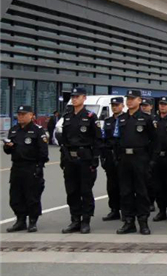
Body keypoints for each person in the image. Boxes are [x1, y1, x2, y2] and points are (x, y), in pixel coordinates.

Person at [59, 87, 101, 234]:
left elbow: (97, 139)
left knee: (85, 190)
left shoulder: (90, 117)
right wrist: (63, 158)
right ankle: (75, 220)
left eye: (77, 96)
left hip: (85, 158)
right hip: (70, 158)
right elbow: (64, 140)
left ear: (84, 98)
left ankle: (86, 221)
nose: (74, 99)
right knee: (72, 190)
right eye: (73, 96)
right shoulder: (67, 117)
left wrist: (95, 159)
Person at [116, 89, 158, 235]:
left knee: (141, 191)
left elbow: (155, 141)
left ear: (139, 100)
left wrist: (151, 161)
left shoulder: (146, 119)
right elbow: (116, 140)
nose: (129, 101)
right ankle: (129, 222)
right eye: (128, 98)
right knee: (126, 192)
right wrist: (117, 158)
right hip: (125, 159)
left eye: (132, 98)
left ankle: (143, 222)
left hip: (140, 158)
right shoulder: (121, 119)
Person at [4, 105, 49, 232]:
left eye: (23, 114)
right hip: (17, 167)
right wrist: (7, 146)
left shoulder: (38, 130)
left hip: (31, 167)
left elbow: (43, 151)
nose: (21, 117)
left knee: (32, 195)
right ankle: (20, 220)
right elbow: (7, 150)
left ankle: (33, 221)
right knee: (16, 196)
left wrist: (39, 166)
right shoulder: (14, 130)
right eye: (19, 114)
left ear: (31, 115)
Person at [151, 96, 167, 223]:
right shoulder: (153, 120)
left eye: (165, 104)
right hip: (156, 158)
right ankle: (161, 211)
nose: (162, 106)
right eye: (161, 104)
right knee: (157, 186)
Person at [99, 97, 124, 221]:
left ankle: (126, 211)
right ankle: (114, 210)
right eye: (113, 105)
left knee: (124, 184)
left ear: (122, 106)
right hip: (110, 154)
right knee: (111, 185)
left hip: (122, 155)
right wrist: (103, 156)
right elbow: (103, 139)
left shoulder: (125, 119)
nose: (115, 107)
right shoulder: (108, 121)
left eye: (117, 105)